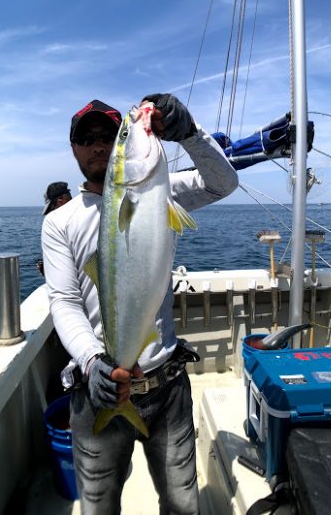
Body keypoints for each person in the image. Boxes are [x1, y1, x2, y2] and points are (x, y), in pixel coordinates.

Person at [41, 95, 239, 515]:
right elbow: (64, 300)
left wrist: (190, 133)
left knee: (182, 502)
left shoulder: (161, 191)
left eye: (111, 136)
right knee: (98, 504)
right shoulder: (60, 221)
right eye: (86, 138)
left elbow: (223, 182)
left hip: (168, 387)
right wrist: (94, 361)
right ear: (73, 148)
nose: (97, 145)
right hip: (99, 389)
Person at [36, 182, 72, 276]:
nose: (51, 213)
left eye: (52, 208)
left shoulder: (59, 224)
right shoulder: (87, 214)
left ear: (60, 200)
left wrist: (47, 270)